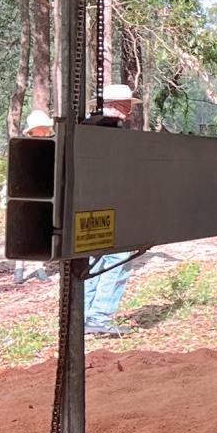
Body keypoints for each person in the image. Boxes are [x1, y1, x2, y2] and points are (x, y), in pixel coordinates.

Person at [82, 84, 140, 334]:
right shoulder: (109, 133)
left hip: (89, 204)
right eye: (126, 109)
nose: (128, 115)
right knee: (118, 257)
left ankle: (85, 314)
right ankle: (98, 315)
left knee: (95, 259)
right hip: (107, 203)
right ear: (115, 107)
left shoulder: (87, 128)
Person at [11, 110, 54, 284]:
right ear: (32, 130)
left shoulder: (51, 146)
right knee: (22, 230)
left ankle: (39, 267)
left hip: (44, 195)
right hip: (24, 195)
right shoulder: (22, 146)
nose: (44, 131)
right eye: (41, 128)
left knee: (41, 229)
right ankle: (18, 267)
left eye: (45, 128)